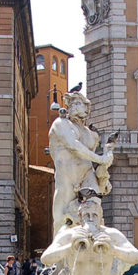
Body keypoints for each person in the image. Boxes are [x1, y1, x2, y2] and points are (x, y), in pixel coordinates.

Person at [48, 90, 116, 233]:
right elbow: (74, 146)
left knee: (94, 206)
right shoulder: (60, 124)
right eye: (72, 104)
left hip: (86, 175)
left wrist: (105, 165)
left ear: (87, 109)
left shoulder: (91, 135)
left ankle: (94, 245)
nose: (74, 107)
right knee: (62, 222)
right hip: (67, 177)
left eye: (79, 103)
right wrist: (101, 159)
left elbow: (93, 161)